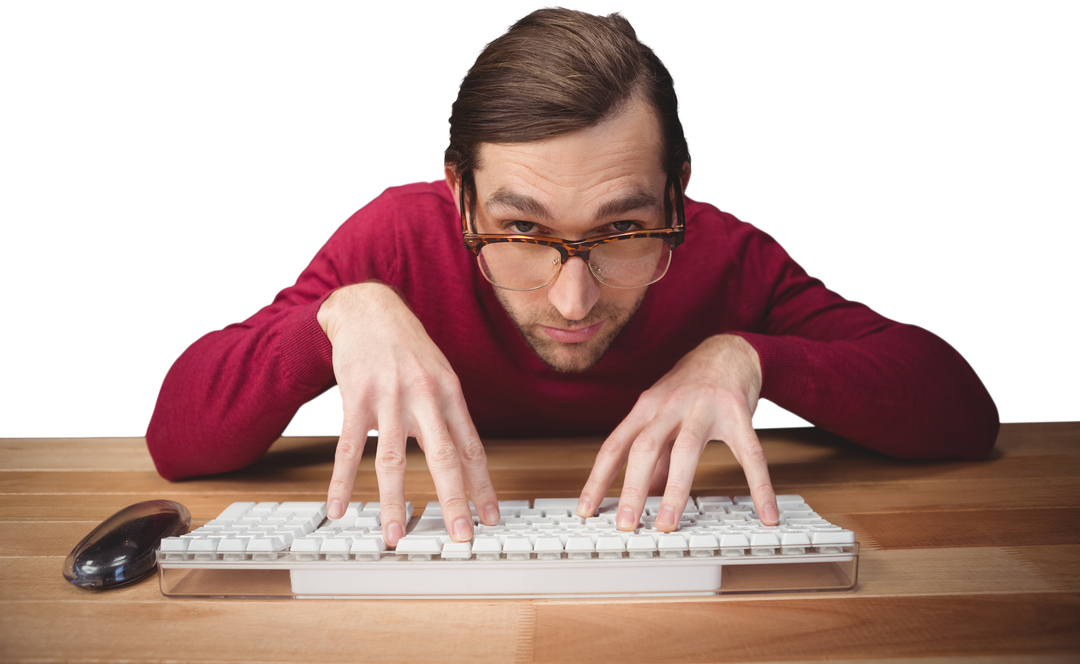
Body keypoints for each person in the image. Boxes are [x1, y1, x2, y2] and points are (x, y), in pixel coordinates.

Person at [145, 4, 1001, 548]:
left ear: (680, 193)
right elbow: (178, 437)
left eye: (624, 228)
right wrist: (337, 315)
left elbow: (961, 412)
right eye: (520, 230)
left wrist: (753, 357)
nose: (573, 301)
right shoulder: (394, 241)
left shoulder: (728, 253)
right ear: (459, 197)